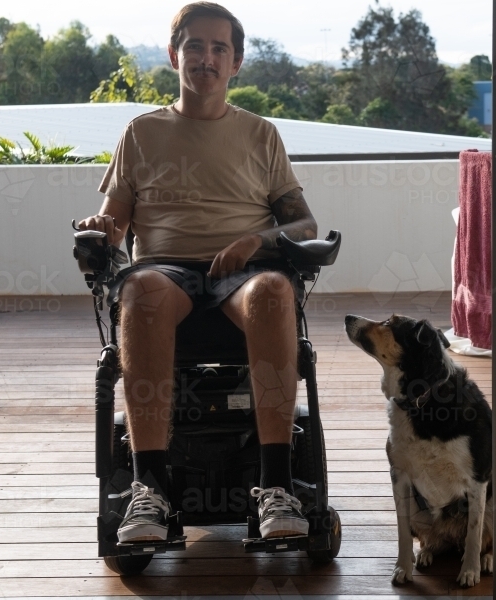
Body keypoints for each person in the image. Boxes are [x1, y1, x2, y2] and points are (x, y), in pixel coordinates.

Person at [76, 2, 318, 543]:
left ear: (236, 63)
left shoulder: (261, 135)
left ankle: (276, 487)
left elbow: (303, 224)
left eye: (218, 48)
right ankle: (150, 492)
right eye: (194, 46)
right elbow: (114, 223)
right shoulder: (141, 133)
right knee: (140, 290)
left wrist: (259, 239)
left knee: (275, 289)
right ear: (174, 55)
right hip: (164, 270)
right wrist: (101, 226)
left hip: (244, 274)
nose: (205, 58)